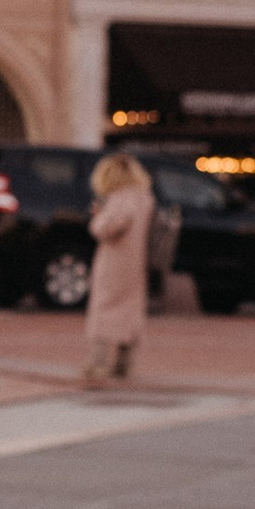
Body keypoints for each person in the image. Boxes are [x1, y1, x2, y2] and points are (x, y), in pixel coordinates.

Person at [81, 148, 154, 386]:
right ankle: (125, 363)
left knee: (103, 309)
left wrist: (98, 217)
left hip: (114, 260)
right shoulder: (145, 197)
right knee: (131, 311)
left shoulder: (121, 198)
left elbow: (107, 228)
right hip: (136, 260)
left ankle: (98, 363)